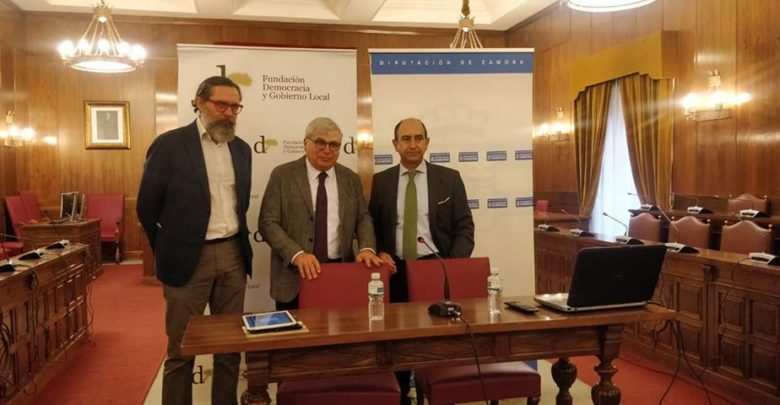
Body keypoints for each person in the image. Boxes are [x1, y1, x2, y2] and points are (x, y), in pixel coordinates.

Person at [137, 76, 253, 405]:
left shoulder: (242, 149)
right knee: (181, 350)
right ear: (200, 103)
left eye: (235, 107)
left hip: (232, 255)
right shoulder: (170, 145)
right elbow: (146, 207)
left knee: (229, 347)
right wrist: (170, 248)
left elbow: (240, 204)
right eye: (222, 105)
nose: (229, 113)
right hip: (188, 259)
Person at [369, 117, 475, 404]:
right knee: (398, 340)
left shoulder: (449, 178)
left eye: (418, 138)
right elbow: (371, 226)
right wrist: (379, 252)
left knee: (437, 341)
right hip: (396, 271)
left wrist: (451, 267)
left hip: (435, 268)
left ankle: (440, 393)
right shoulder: (381, 181)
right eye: (406, 139)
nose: (413, 144)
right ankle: (402, 394)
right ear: (395, 144)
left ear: (427, 143)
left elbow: (464, 226)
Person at [259, 117, 384, 310]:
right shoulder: (283, 175)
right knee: (297, 330)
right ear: (306, 143)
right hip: (294, 276)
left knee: (341, 327)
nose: (327, 150)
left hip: (340, 273)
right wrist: (297, 254)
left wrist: (367, 248)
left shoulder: (350, 179)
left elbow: (362, 218)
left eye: (334, 145)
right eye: (320, 143)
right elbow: (268, 223)